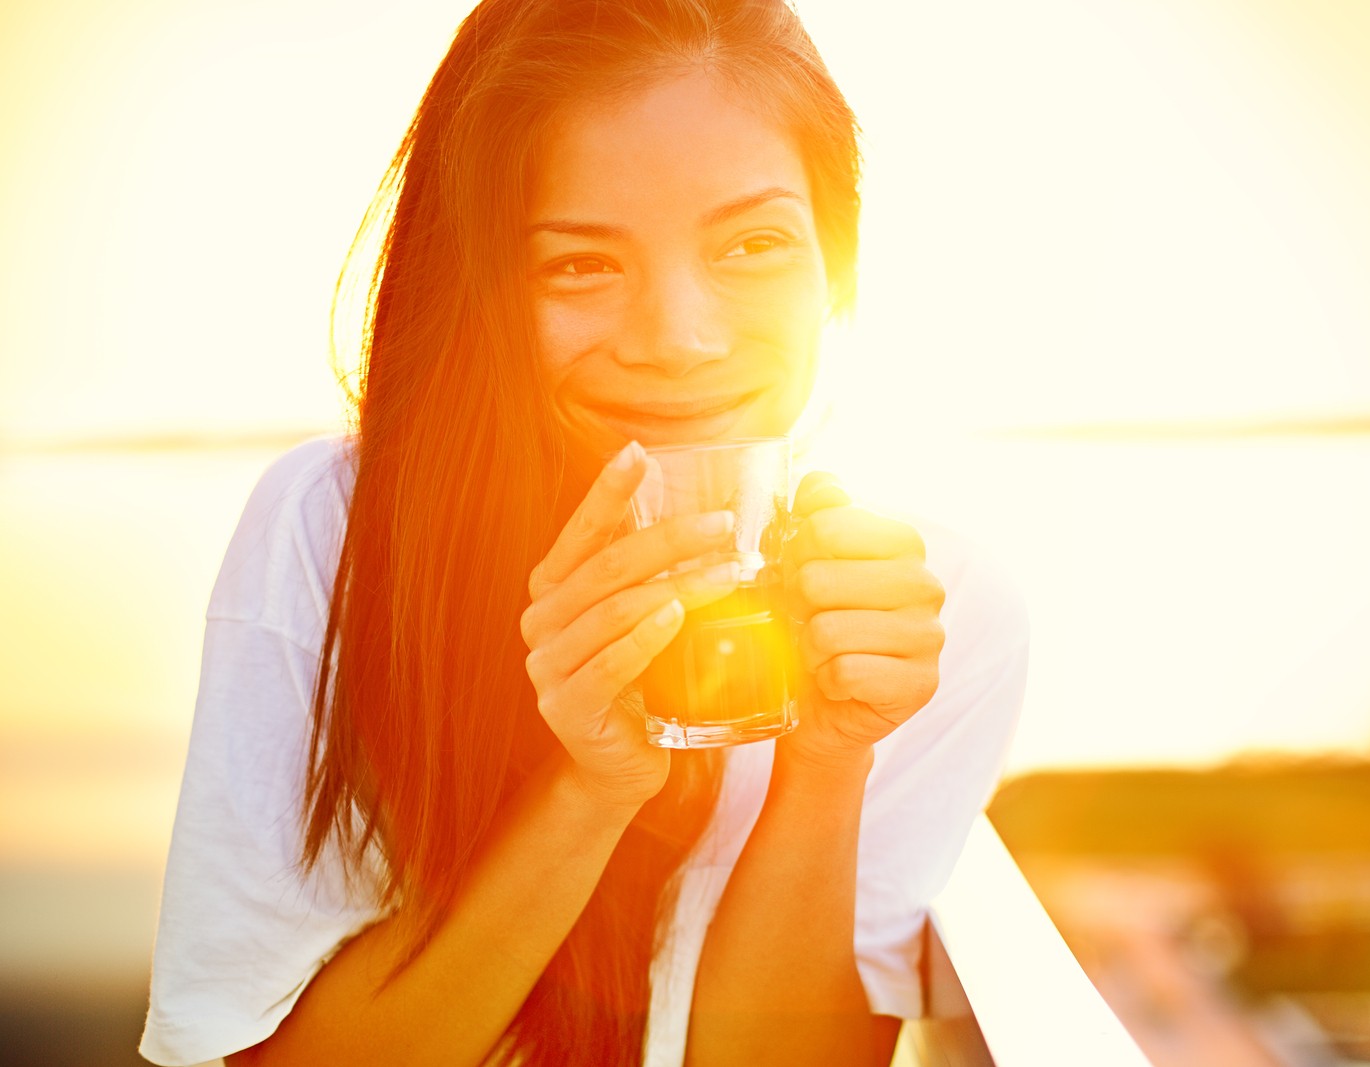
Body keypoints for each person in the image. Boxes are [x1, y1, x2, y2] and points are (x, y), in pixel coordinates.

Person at [139, 1, 1028, 1064]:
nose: (682, 339)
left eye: (753, 243)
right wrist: (591, 786)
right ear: (484, 293)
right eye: (581, 265)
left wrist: (828, 762)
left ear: (835, 270)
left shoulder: (924, 608)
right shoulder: (335, 534)